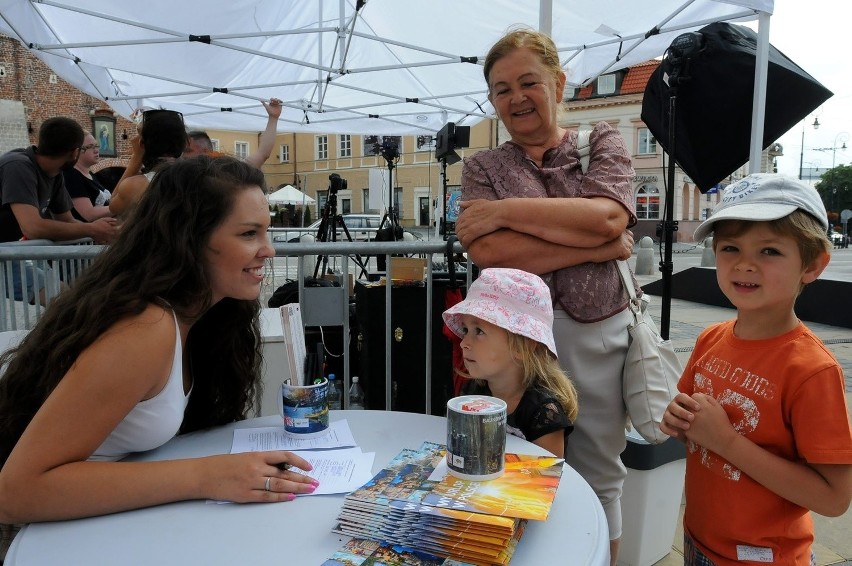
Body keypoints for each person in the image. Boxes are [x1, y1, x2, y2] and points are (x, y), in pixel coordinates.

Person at [0, 156, 318, 533]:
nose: (269, 250)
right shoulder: (144, 329)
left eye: (266, 232)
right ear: (190, 239)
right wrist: (205, 475)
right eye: (249, 234)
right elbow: (14, 494)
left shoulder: (204, 316)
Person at [455, 28, 636, 564]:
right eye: (501, 89)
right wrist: (600, 247)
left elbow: (609, 215)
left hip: (594, 328)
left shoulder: (601, 139)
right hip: (513, 342)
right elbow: (491, 254)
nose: (516, 98)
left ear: (558, 83)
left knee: (600, 470)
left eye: (528, 82)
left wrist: (507, 211)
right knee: (518, 465)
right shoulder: (482, 166)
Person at [661, 174, 852, 565]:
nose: (745, 264)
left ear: (812, 265)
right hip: (698, 539)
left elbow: (833, 498)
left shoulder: (812, 369)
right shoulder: (710, 338)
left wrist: (726, 441)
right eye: (731, 247)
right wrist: (681, 421)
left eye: (769, 251)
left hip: (765, 556)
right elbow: (694, 432)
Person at [442, 268, 578, 458]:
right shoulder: (474, 392)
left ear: (522, 347)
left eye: (479, 331)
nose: (464, 343)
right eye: (465, 330)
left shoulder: (543, 413)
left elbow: (546, 481)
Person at [0, 117, 118, 304]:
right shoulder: (18, 166)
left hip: (8, 252)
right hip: (5, 254)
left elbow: (67, 221)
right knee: (62, 299)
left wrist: (104, 231)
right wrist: (92, 229)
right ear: (75, 152)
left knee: (64, 295)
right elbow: (32, 227)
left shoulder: (55, 174)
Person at [109, 109, 187, 219]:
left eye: (138, 133)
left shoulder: (135, 186)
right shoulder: (202, 178)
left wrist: (136, 158)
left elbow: (113, 207)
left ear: (142, 143)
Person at [183, 98, 283, 168]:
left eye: (188, 151)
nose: (183, 155)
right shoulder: (177, 173)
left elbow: (262, 154)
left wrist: (273, 118)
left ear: (205, 152)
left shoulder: (225, 172)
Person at [62, 132, 114, 221]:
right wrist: (120, 207)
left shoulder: (91, 175)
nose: (96, 150)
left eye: (97, 146)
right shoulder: (71, 175)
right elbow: (88, 214)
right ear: (76, 151)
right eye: (90, 147)